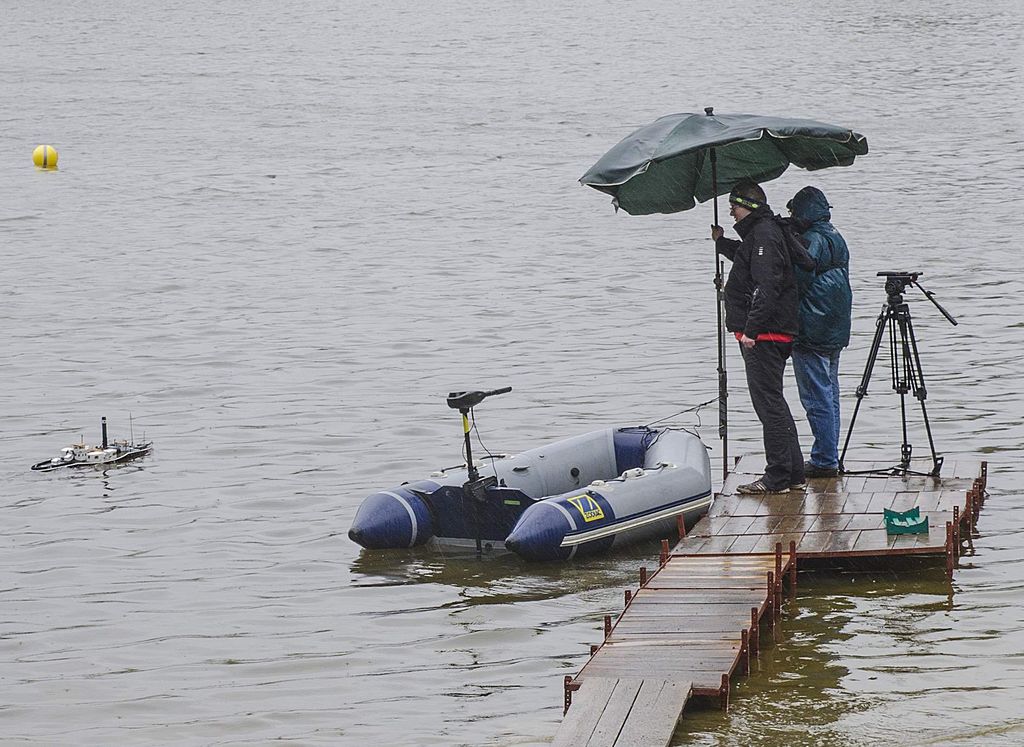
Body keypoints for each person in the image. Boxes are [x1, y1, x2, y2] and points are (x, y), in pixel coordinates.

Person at [712, 181, 805, 495]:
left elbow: (767, 286)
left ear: (749, 206)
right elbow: (747, 258)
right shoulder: (761, 232)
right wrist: (721, 242)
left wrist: (751, 331)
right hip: (769, 332)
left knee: (768, 406)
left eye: (734, 207)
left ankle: (777, 477)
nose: (731, 213)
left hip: (765, 335)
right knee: (774, 402)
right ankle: (794, 473)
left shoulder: (764, 234)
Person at [787, 186, 852, 477]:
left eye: (793, 211)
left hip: (812, 328)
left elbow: (798, 280)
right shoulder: (836, 236)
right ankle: (829, 455)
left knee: (816, 397)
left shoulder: (811, 239)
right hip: (836, 326)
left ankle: (824, 459)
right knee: (830, 393)